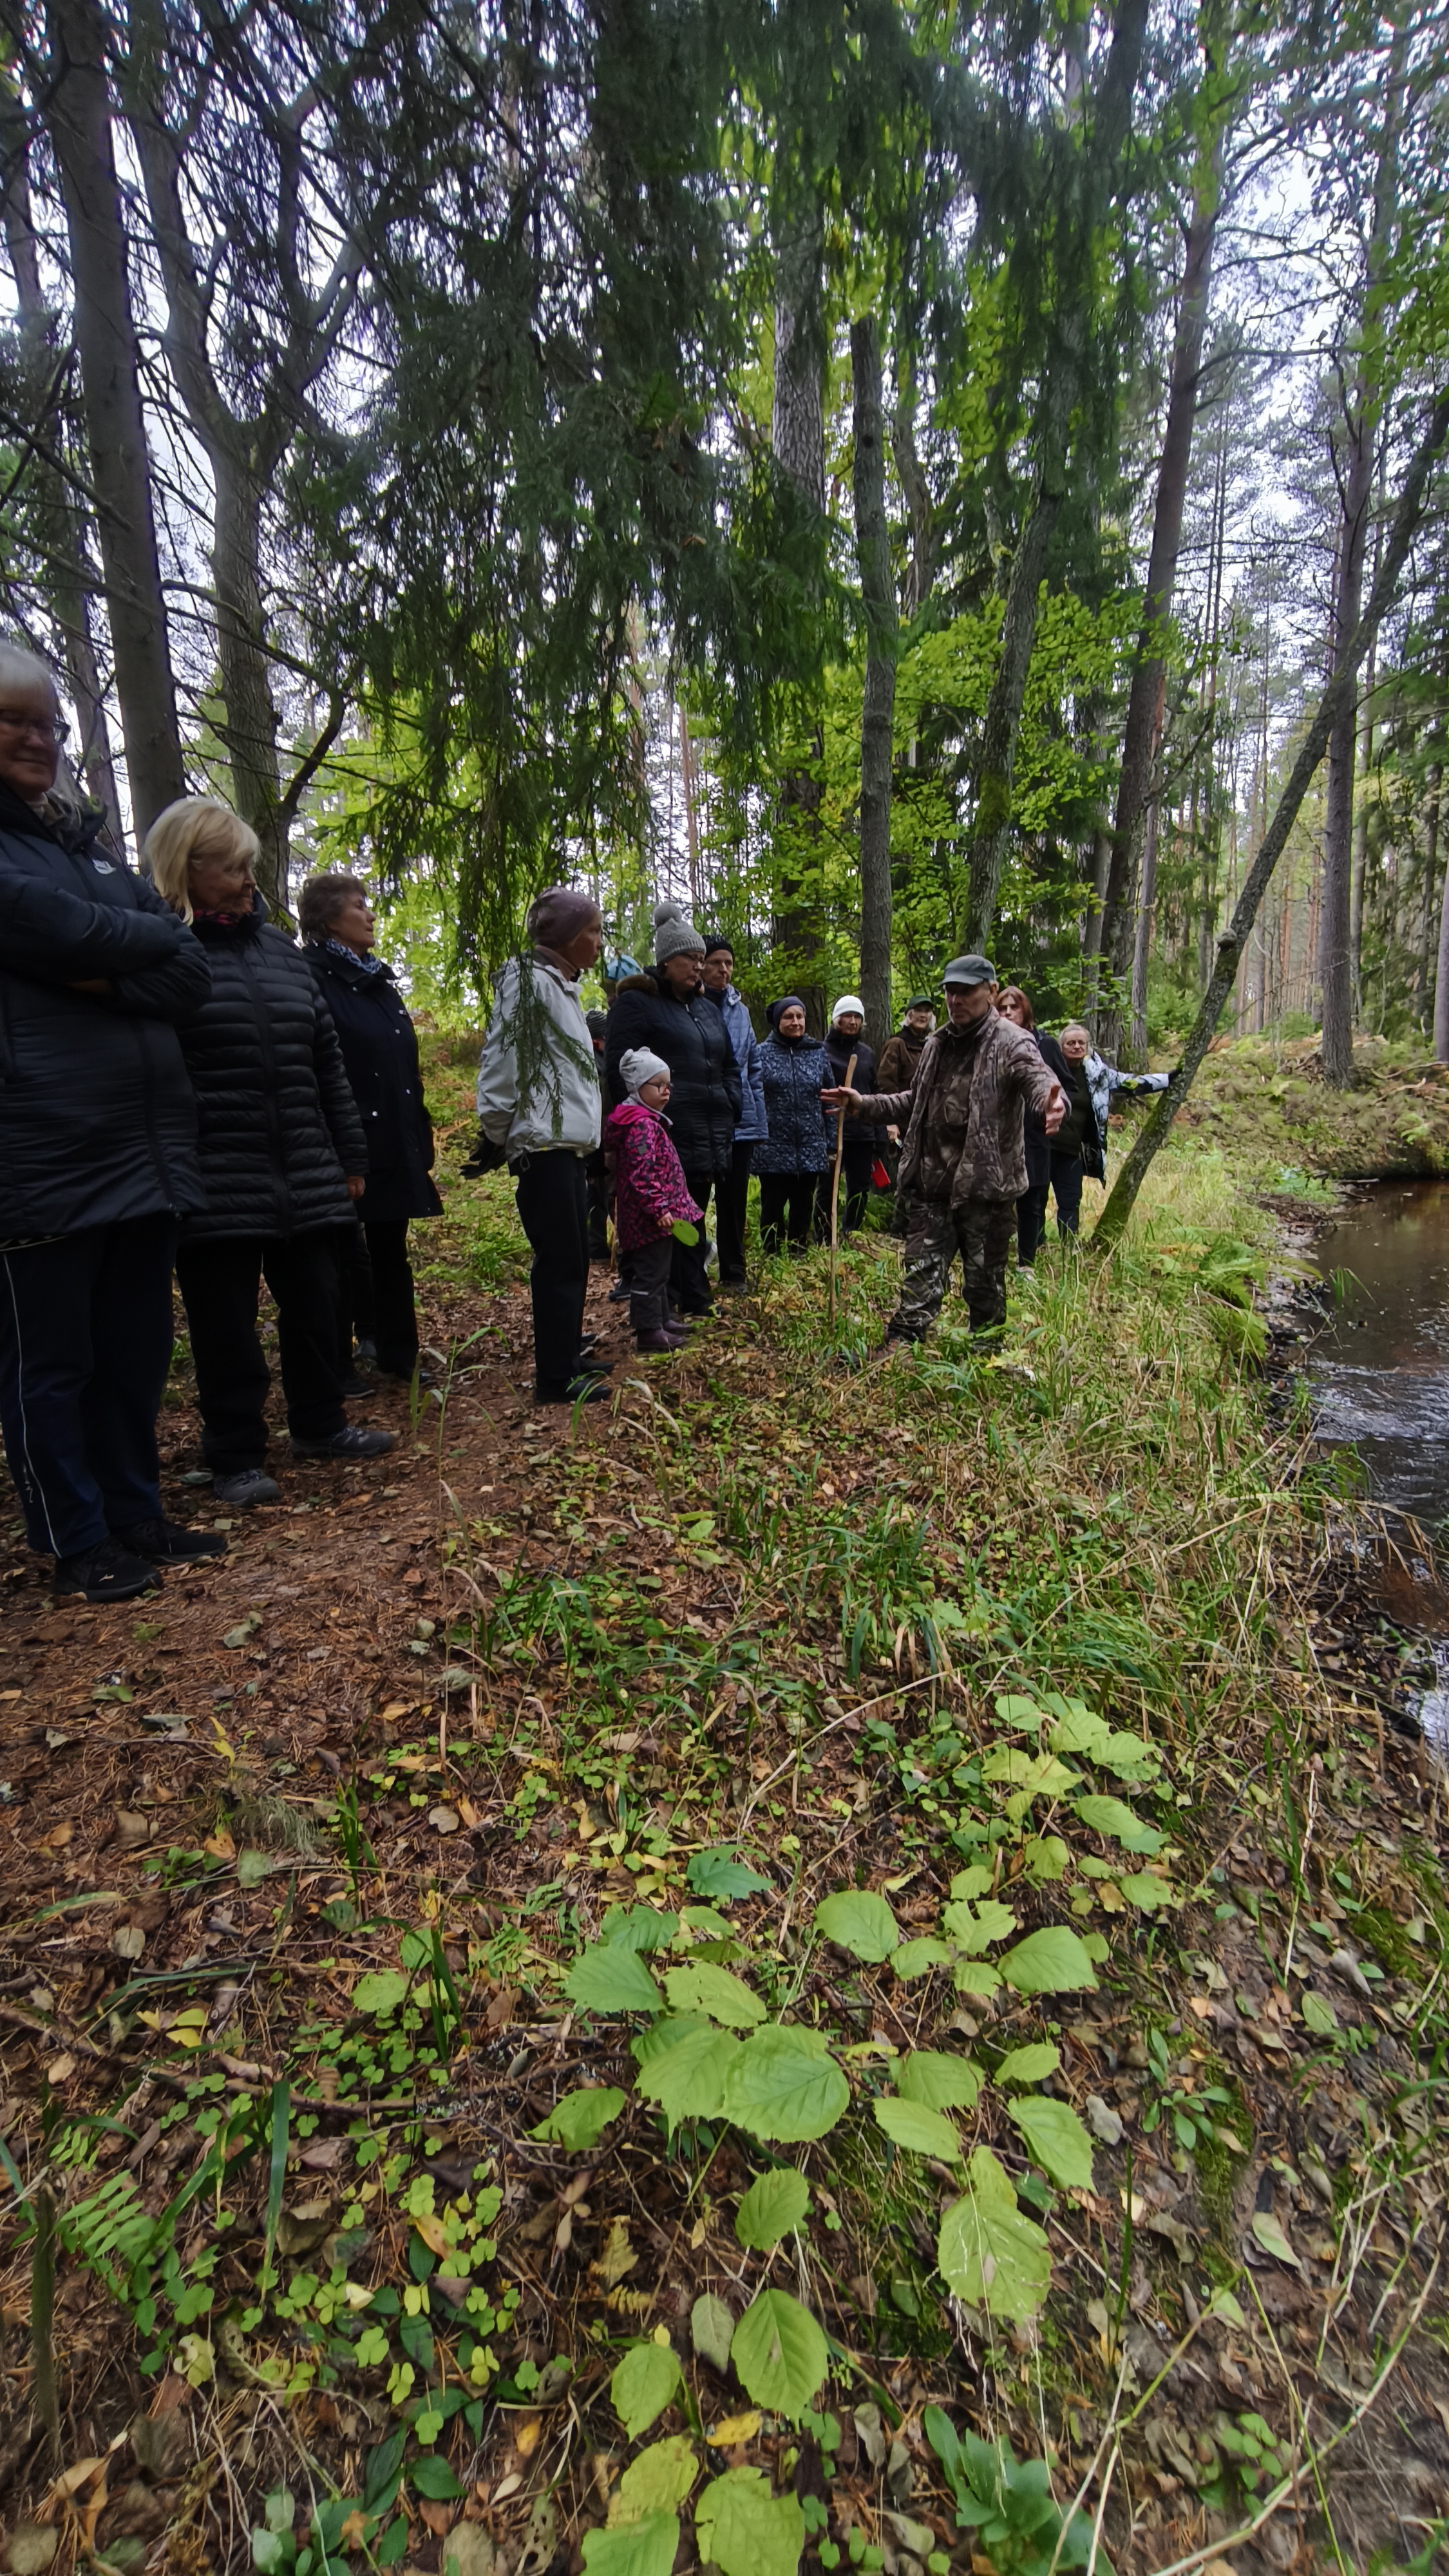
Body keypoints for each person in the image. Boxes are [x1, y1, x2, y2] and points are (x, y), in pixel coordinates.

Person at [0, 643, 221, 1602]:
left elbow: (186, 967)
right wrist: (128, 958)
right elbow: (40, 924)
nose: (35, 738)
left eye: (47, 723)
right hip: (38, 1147)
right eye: (13, 720)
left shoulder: (84, 851)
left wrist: (86, 965)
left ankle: (136, 1511)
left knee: (134, 1350)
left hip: (143, 1150)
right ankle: (74, 1539)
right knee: (52, 1362)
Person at [147, 800, 393, 1506]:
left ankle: (320, 1423)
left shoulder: (283, 953)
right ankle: (235, 1454)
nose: (247, 880)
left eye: (249, 865)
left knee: (318, 1305)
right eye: (229, 868)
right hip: (215, 1176)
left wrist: (349, 1155)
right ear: (184, 870)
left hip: (306, 1169)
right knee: (226, 1324)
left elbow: (326, 1064)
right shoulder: (163, 952)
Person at [824, 956, 1065, 1342]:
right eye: (950, 992)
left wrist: (1053, 1104)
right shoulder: (937, 1044)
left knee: (984, 1285)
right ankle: (902, 1346)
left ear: (990, 991)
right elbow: (913, 1102)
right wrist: (863, 1105)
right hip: (932, 1185)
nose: (956, 1000)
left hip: (985, 1191)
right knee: (920, 1276)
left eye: (966, 992)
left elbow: (1040, 1081)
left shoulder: (1011, 1041)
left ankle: (987, 1355)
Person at [299, 873, 442, 1387]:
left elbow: (403, 1066)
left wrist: (418, 1131)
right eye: (360, 906)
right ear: (328, 918)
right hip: (343, 1139)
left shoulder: (380, 983)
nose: (371, 914)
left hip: (391, 1134)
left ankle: (398, 1354)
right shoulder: (310, 975)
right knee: (336, 1256)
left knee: (390, 1251)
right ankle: (336, 1365)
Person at [476, 886, 609, 1405]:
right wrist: (497, 1134)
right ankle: (555, 1378)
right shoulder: (528, 985)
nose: (599, 942)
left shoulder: (561, 986)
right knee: (558, 1262)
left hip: (566, 1146)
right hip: (543, 1146)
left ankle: (568, 1355)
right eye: (593, 931)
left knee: (574, 1259)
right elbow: (503, 1063)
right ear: (568, 936)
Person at [604, 903, 741, 1318]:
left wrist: (732, 1102)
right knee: (674, 1219)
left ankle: (686, 1295)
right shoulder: (639, 1004)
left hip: (713, 1129)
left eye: (702, 959)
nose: (699, 967)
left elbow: (728, 1064)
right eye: (690, 959)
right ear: (666, 961)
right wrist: (639, 1127)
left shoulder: (705, 1008)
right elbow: (618, 1070)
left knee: (695, 1213)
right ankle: (684, 1299)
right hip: (663, 1134)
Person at [603, 1048, 703, 1352]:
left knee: (661, 1270)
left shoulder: (649, 1120)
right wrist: (659, 1208)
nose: (666, 1091)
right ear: (637, 1088)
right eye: (658, 1085)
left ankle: (662, 1319)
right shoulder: (642, 1126)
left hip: (657, 1218)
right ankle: (648, 1331)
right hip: (648, 1219)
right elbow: (642, 1175)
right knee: (649, 1274)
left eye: (668, 1084)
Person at [1048, 1021, 1171, 1239]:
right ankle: (1035, 1248)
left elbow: (1131, 1083)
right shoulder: (1048, 1071)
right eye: (1070, 1043)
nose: (1077, 1047)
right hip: (1044, 1148)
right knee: (1035, 1200)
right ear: (1061, 1047)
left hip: (1073, 1152)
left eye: (1081, 1043)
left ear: (1087, 1047)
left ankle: (1069, 1252)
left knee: (1070, 1202)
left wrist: (1167, 1079)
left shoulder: (1096, 1075)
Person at [699, 937, 766, 1288]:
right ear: (701, 965)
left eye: (728, 963)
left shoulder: (739, 1008)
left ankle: (733, 1273)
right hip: (701, 1118)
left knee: (734, 1200)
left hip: (739, 1119)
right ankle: (692, 1268)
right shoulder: (689, 1003)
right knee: (692, 1197)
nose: (723, 970)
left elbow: (752, 1064)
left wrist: (755, 1118)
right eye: (716, 962)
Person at [996, 986, 1070, 1266]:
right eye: (1002, 1008)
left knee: (1031, 1203)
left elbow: (1065, 1087)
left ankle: (1026, 1262)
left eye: (1014, 1007)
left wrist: (1053, 1109)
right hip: (998, 1139)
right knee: (998, 1203)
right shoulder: (990, 1045)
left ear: (1025, 1011)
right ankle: (996, 1260)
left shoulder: (1045, 1044)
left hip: (1034, 1138)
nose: (1008, 1013)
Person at [753, 998, 831, 1255]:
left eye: (800, 1016)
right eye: (789, 1017)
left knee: (803, 1204)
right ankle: (771, 1255)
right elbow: (752, 1098)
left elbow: (830, 1099)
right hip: (773, 1146)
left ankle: (799, 1253)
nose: (795, 1022)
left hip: (810, 1145)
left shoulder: (818, 1053)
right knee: (772, 1206)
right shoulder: (761, 1053)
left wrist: (830, 1140)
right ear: (778, 1022)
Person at [821, 995, 884, 1235]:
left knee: (859, 1187)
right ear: (837, 1019)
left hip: (862, 1131)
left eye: (857, 1017)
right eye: (847, 1016)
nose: (853, 1021)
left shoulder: (866, 1053)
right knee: (828, 1186)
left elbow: (873, 1091)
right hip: (832, 1129)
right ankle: (825, 1234)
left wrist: (878, 1131)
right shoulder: (822, 1051)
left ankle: (851, 1231)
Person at [876, 995, 935, 1234]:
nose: (923, 1015)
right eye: (918, 1010)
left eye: (927, 1012)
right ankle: (899, 1227)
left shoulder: (933, 1045)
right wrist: (891, 1122)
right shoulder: (897, 1044)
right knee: (907, 1174)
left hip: (930, 1123)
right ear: (908, 1015)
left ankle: (923, 1226)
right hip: (904, 1123)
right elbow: (885, 1083)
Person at [583, 1010, 613, 1267]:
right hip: (597, 1140)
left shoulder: (601, 1059)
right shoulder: (593, 1062)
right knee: (597, 1194)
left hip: (601, 1138)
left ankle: (599, 1248)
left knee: (601, 1193)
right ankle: (596, 1249)